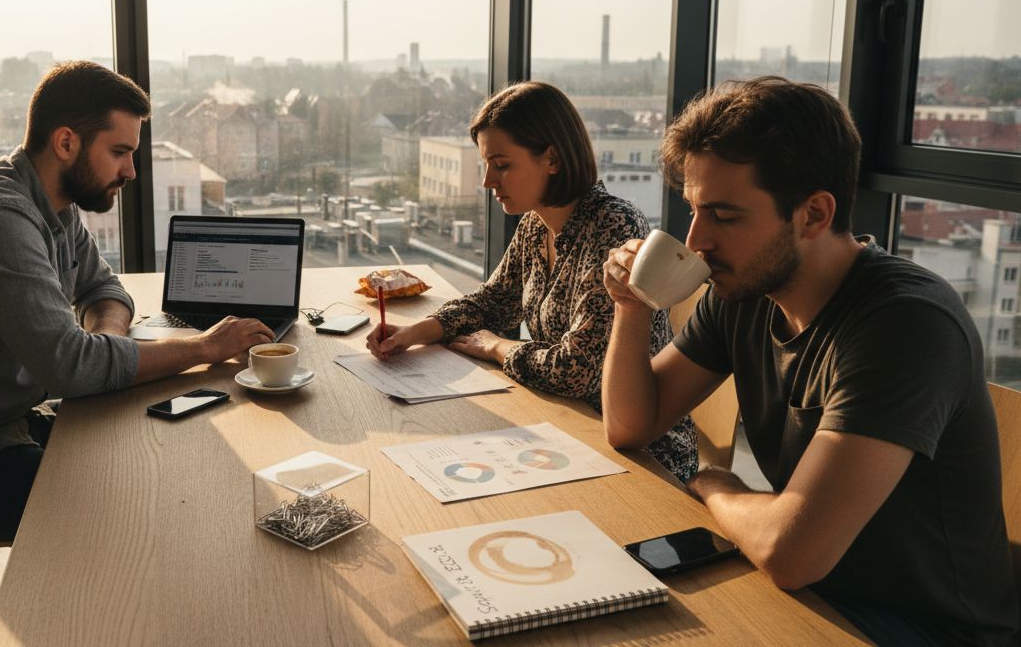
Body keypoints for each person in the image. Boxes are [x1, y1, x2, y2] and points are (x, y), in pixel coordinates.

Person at [601, 76, 1019, 646]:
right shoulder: (746, 291)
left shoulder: (907, 325)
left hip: (925, 626)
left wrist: (716, 485)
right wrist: (631, 304)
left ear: (814, 214)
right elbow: (630, 424)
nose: (695, 239)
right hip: (815, 593)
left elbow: (790, 552)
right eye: (693, 210)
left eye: (724, 216)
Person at [0, 61, 274, 543]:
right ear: (67, 142)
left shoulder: (53, 203)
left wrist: (105, 345)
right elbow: (71, 370)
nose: (130, 171)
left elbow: (104, 291)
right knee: (137, 505)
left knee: (154, 447)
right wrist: (203, 347)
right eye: (119, 152)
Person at [367, 81, 697, 484]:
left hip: (642, 455)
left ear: (553, 159)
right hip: (568, 426)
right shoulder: (534, 224)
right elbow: (493, 301)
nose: (488, 181)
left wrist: (497, 346)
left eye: (501, 164)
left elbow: (574, 370)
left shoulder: (615, 225)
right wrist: (414, 333)